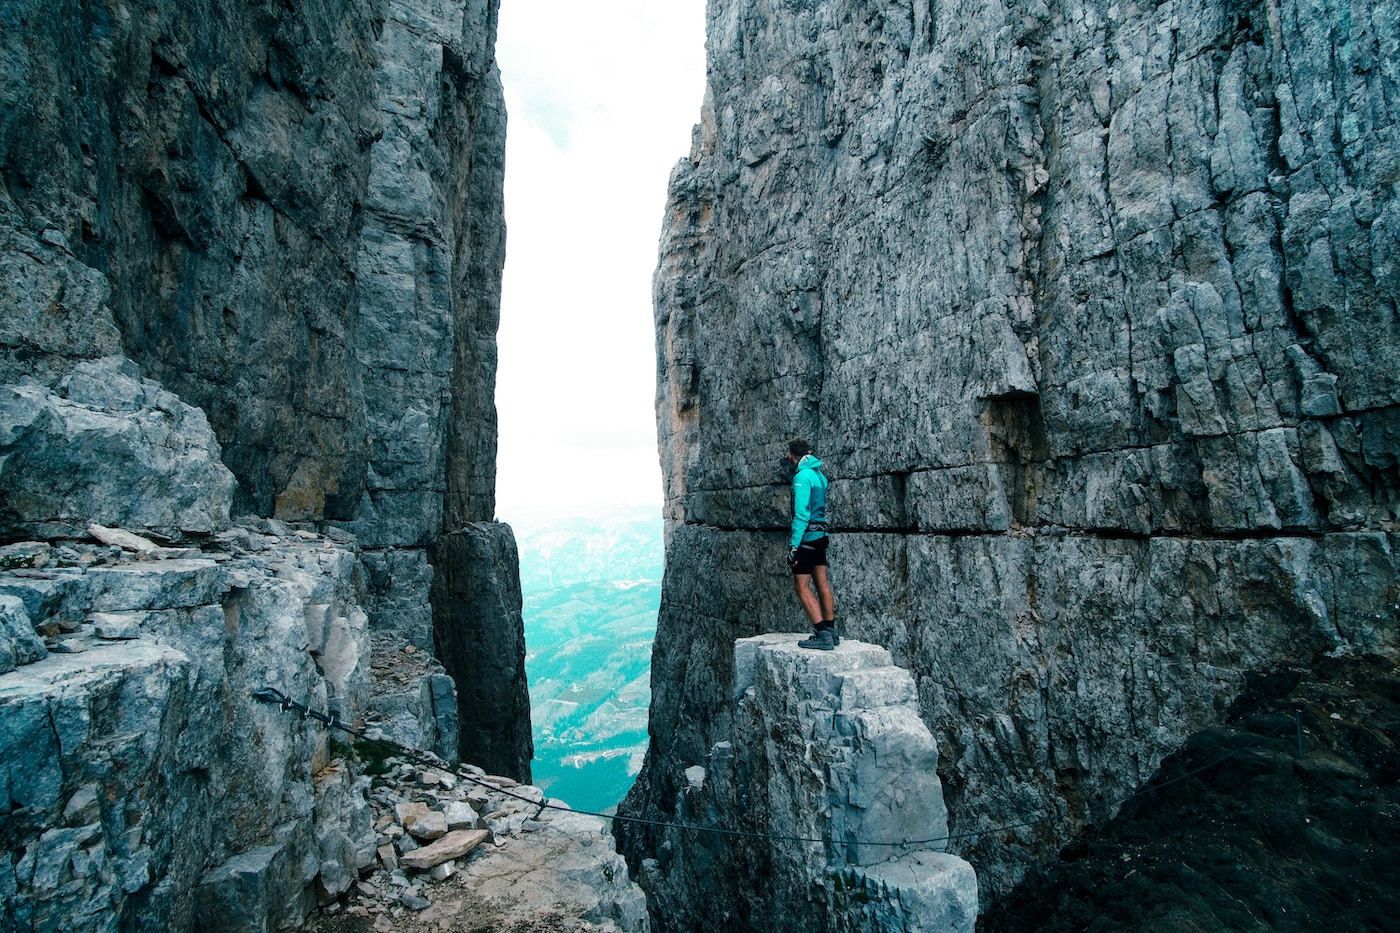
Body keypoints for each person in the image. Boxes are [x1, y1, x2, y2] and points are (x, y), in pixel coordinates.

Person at [783, 438, 838, 650]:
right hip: (821, 535)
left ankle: (821, 634)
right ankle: (831, 631)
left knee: (801, 586)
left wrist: (793, 546)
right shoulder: (819, 475)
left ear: (791, 455)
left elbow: (801, 513)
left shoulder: (802, 477)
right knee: (822, 584)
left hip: (806, 538)